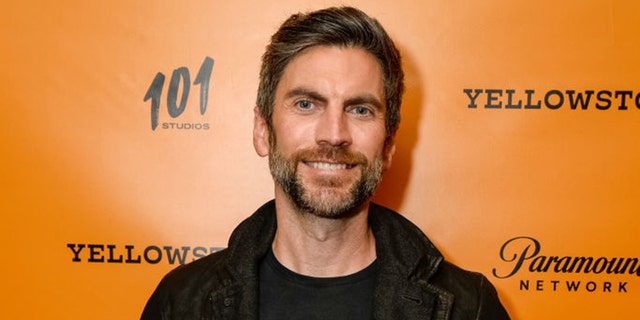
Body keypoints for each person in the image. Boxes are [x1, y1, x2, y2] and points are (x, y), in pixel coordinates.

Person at [141, 6, 510, 320]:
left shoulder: (469, 307)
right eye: (306, 104)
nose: (334, 134)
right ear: (262, 130)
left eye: (360, 109)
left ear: (388, 145)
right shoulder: (180, 304)